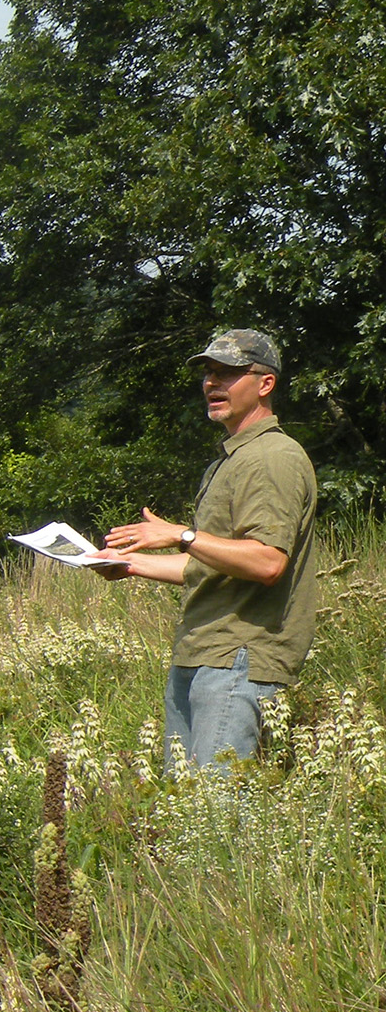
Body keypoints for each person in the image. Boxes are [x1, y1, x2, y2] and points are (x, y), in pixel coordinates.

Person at [100, 328, 318, 772]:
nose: (212, 384)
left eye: (228, 373)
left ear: (265, 384)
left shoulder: (273, 457)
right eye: (208, 374)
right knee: (185, 809)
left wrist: (182, 535)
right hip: (200, 654)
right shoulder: (230, 459)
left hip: (238, 662)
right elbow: (211, 564)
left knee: (217, 816)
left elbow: (267, 561)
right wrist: (131, 564)